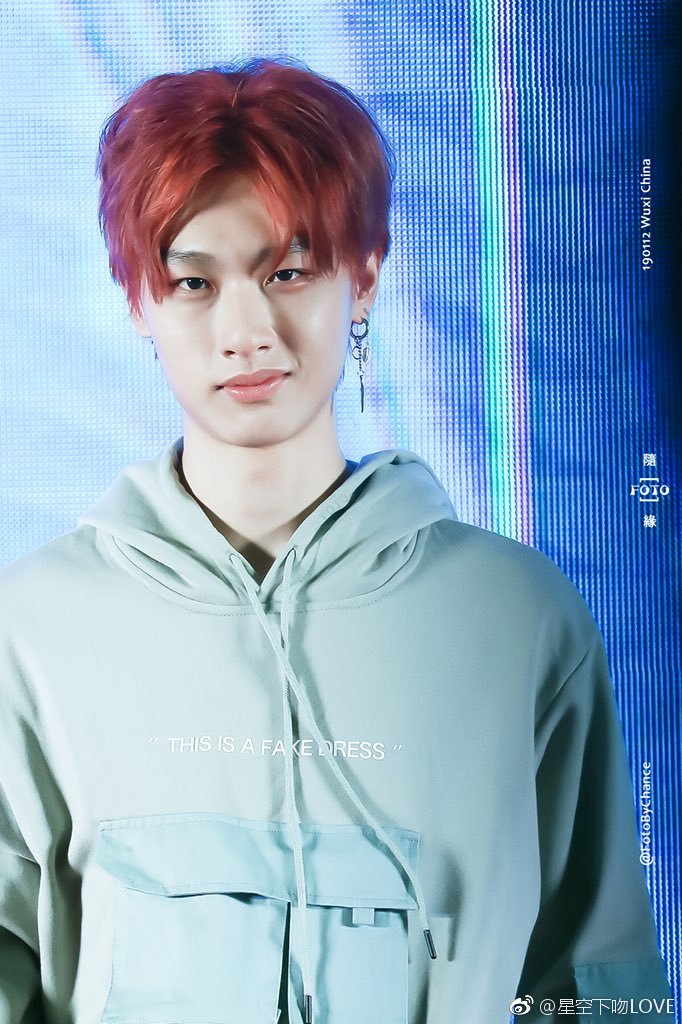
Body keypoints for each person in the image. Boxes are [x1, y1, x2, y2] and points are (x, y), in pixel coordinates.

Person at [0, 57, 674, 1024]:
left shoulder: (518, 617)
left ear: (363, 277)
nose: (245, 331)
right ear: (137, 299)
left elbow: (595, 986)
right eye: (193, 281)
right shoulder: (32, 629)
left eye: (287, 271)